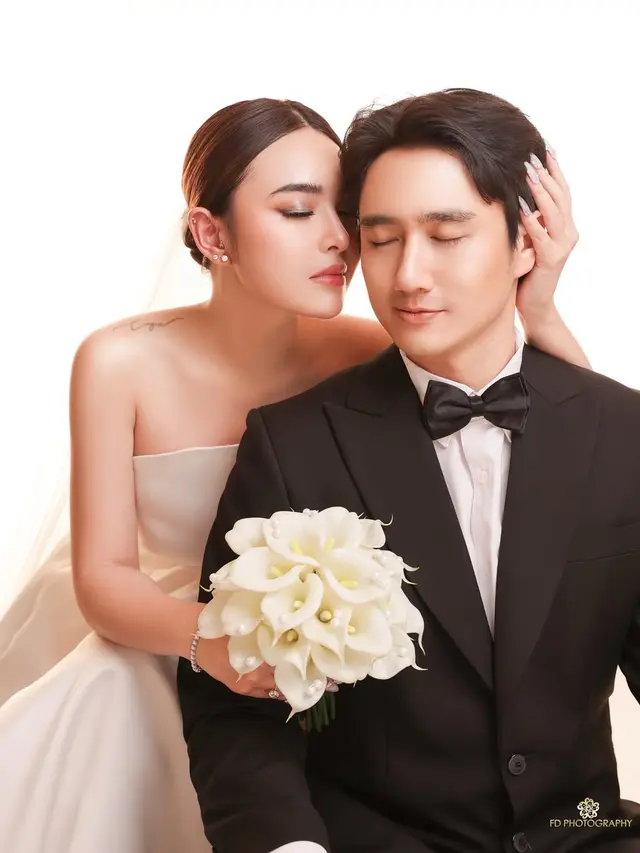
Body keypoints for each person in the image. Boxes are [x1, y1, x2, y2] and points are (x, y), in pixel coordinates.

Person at [0, 95, 584, 853]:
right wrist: (218, 646)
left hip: (324, 658)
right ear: (212, 232)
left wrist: (541, 305)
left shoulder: (368, 348)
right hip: (166, 632)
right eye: (298, 211)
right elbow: (104, 576)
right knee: (122, 698)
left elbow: (559, 434)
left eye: (345, 212)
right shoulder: (119, 361)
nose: (340, 238)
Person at [177, 89, 640, 853]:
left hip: (584, 829)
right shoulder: (294, 444)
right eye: (382, 239)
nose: (408, 275)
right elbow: (235, 709)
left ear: (528, 240)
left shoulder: (620, 432)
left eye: (447, 235)